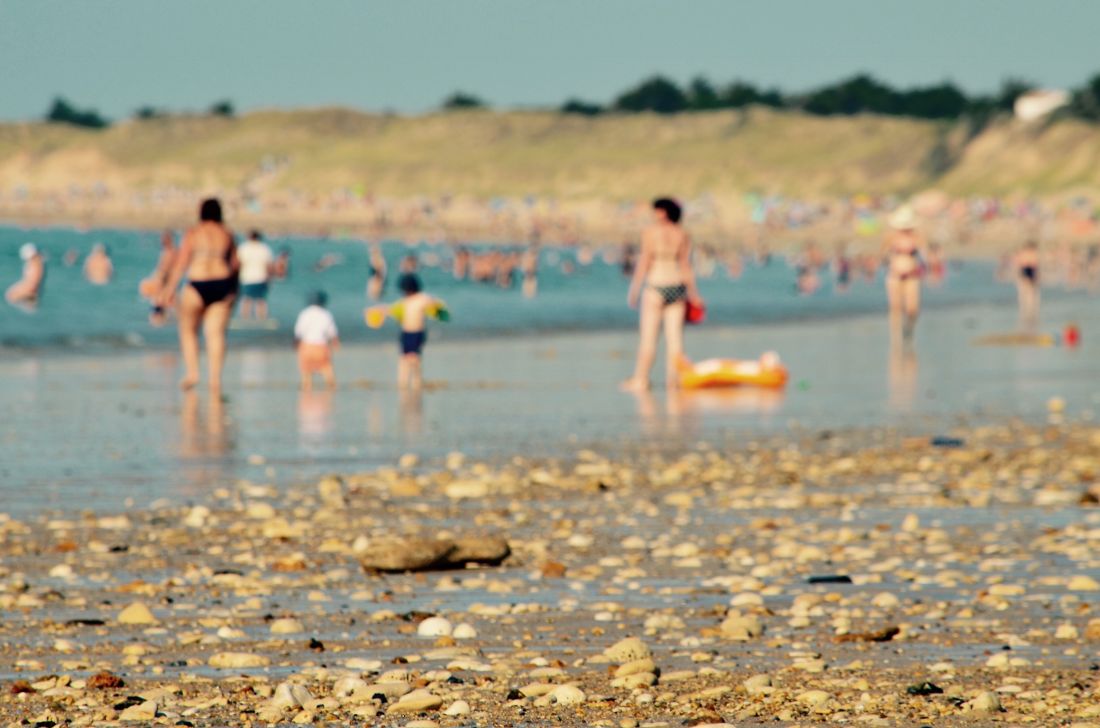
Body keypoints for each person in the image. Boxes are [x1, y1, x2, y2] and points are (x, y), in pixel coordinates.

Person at [157, 198, 238, 393]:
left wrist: (169, 290)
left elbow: (182, 263)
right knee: (216, 334)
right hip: (222, 282)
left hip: (198, 282)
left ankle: (193, 374)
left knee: (188, 330)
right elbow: (235, 265)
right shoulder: (226, 234)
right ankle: (215, 380)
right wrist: (234, 290)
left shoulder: (194, 233)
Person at [622, 198, 703, 391]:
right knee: (675, 340)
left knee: (648, 339)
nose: (653, 214)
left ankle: (641, 380)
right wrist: (694, 294)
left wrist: (634, 289)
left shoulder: (650, 233)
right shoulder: (682, 234)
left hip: (656, 286)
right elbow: (685, 265)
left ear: (663, 212)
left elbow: (645, 261)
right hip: (677, 286)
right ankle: (673, 381)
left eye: (656, 210)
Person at [883, 205, 924, 341]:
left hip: (912, 275)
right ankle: (895, 337)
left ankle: (909, 330)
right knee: (895, 307)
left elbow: (925, 255)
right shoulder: (891, 237)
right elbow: (883, 254)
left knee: (913, 309)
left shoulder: (917, 237)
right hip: (894, 275)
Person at [393, 273, 438, 390]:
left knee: (414, 358)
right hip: (406, 332)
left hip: (417, 332)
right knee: (404, 358)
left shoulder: (422, 298)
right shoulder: (405, 301)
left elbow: (434, 304)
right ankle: (403, 383)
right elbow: (397, 315)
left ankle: (415, 383)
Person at [294, 290, 339, 391]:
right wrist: (336, 343)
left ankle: (306, 390)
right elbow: (332, 332)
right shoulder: (326, 314)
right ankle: (332, 388)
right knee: (326, 368)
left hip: (306, 346)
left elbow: (298, 332)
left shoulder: (304, 313)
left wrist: (296, 344)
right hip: (321, 346)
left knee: (306, 371)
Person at [139, 231, 177, 326]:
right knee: (168, 253)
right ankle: (165, 233)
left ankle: (165, 233)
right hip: (163, 278)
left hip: (161, 278)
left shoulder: (159, 299)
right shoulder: (167, 301)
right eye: (157, 311)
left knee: (168, 254)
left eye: (154, 310)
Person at [237, 230, 274, 320]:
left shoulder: (243, 248)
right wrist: (269, 278)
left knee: (246, 299)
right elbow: (268, 265)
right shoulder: (264, 248)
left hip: (246, 277)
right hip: (261, 277)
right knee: (261, 300)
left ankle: (244, 317)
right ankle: (262, 318)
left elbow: (238, 263)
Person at [1015, 240, 1041, 328]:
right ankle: (1028, 312)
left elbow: (1033, 265)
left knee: (1029, 293)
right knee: (1028, 293)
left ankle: (1028, 312)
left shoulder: (1028, 253)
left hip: (1028, 271)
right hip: (1027, 271)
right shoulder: (1030, 253)